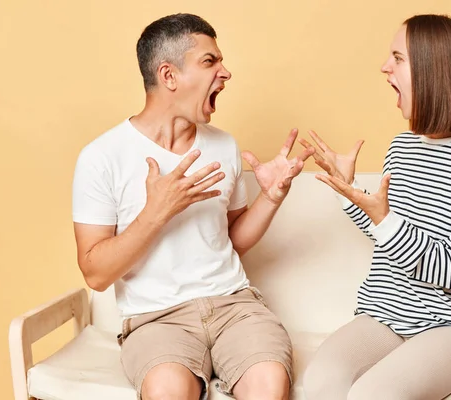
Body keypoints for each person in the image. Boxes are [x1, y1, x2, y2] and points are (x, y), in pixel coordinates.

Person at [72, 13, 313, 400]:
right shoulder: (102, 156)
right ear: (169, 76)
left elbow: (232, 239)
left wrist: (270, 198)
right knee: (167, 391)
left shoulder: (223, 145)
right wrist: (157, 213)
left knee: (270, 385)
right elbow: (96, 273)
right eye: (209, 61)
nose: (225, 72)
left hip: (235, 306)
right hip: (157, 319)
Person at [301, 14, 451, 400]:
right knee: (318, 384)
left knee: (373, 395)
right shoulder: (403, 146)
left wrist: (385, 219)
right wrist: (349, 190)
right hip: (390, 313)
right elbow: (391, 237)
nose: (385, 66)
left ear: (433, 69)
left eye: (398, 58)